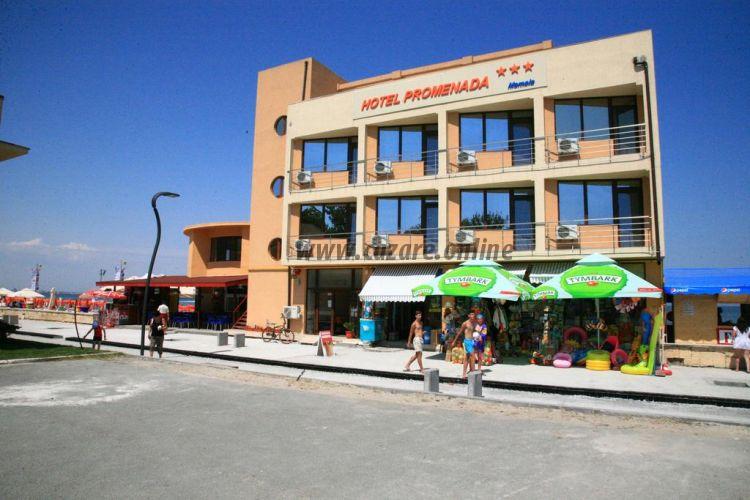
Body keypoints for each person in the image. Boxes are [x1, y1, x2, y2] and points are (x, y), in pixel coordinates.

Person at [452, 311, 477, 378]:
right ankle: (472, 373)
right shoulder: (465, 323)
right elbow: (459, 332)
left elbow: (476, 332)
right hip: (467, 341)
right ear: (469, 315)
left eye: (473, 314)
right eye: (471, 314)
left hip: (472, 341)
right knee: (472, 356)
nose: (473, 316)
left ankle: (467, 373)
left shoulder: (474, 323)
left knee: (468, 357)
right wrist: (454, 341)